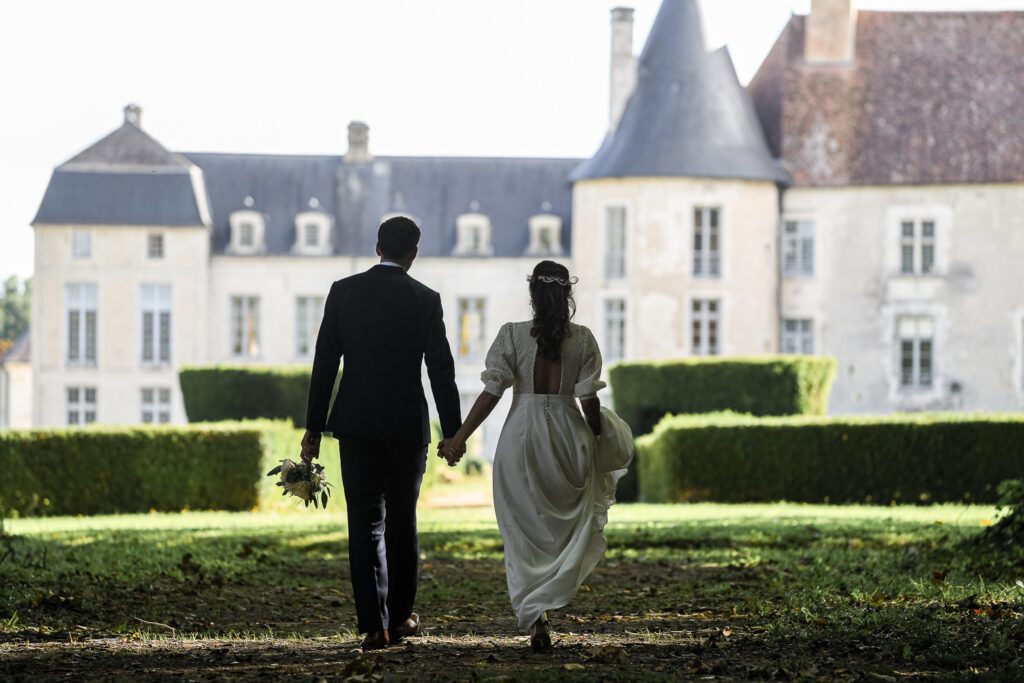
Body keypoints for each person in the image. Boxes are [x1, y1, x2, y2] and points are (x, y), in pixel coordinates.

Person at [439, 260, 634, 652]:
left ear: (532, 294)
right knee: (563, 530)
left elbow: (492, 392)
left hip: (521, 439)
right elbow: (589, 400)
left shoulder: (511, 337)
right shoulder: (583, 340)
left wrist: (459, 438)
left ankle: (536, 615)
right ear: (567, 295)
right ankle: (547, 599)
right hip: (568, 438)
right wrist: (598, 437)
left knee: (521, 531)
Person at [301, 216, 464, 650]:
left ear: (377, 247)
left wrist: (313, 428)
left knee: (365, 522)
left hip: (356, 426)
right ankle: (402, 616)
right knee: (402, 521)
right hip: (407, 428)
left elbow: (325, 365)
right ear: (413, 253)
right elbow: (441, 370)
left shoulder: (343, 292)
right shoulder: (425, 299)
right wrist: (453, 432)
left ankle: (374, 624)